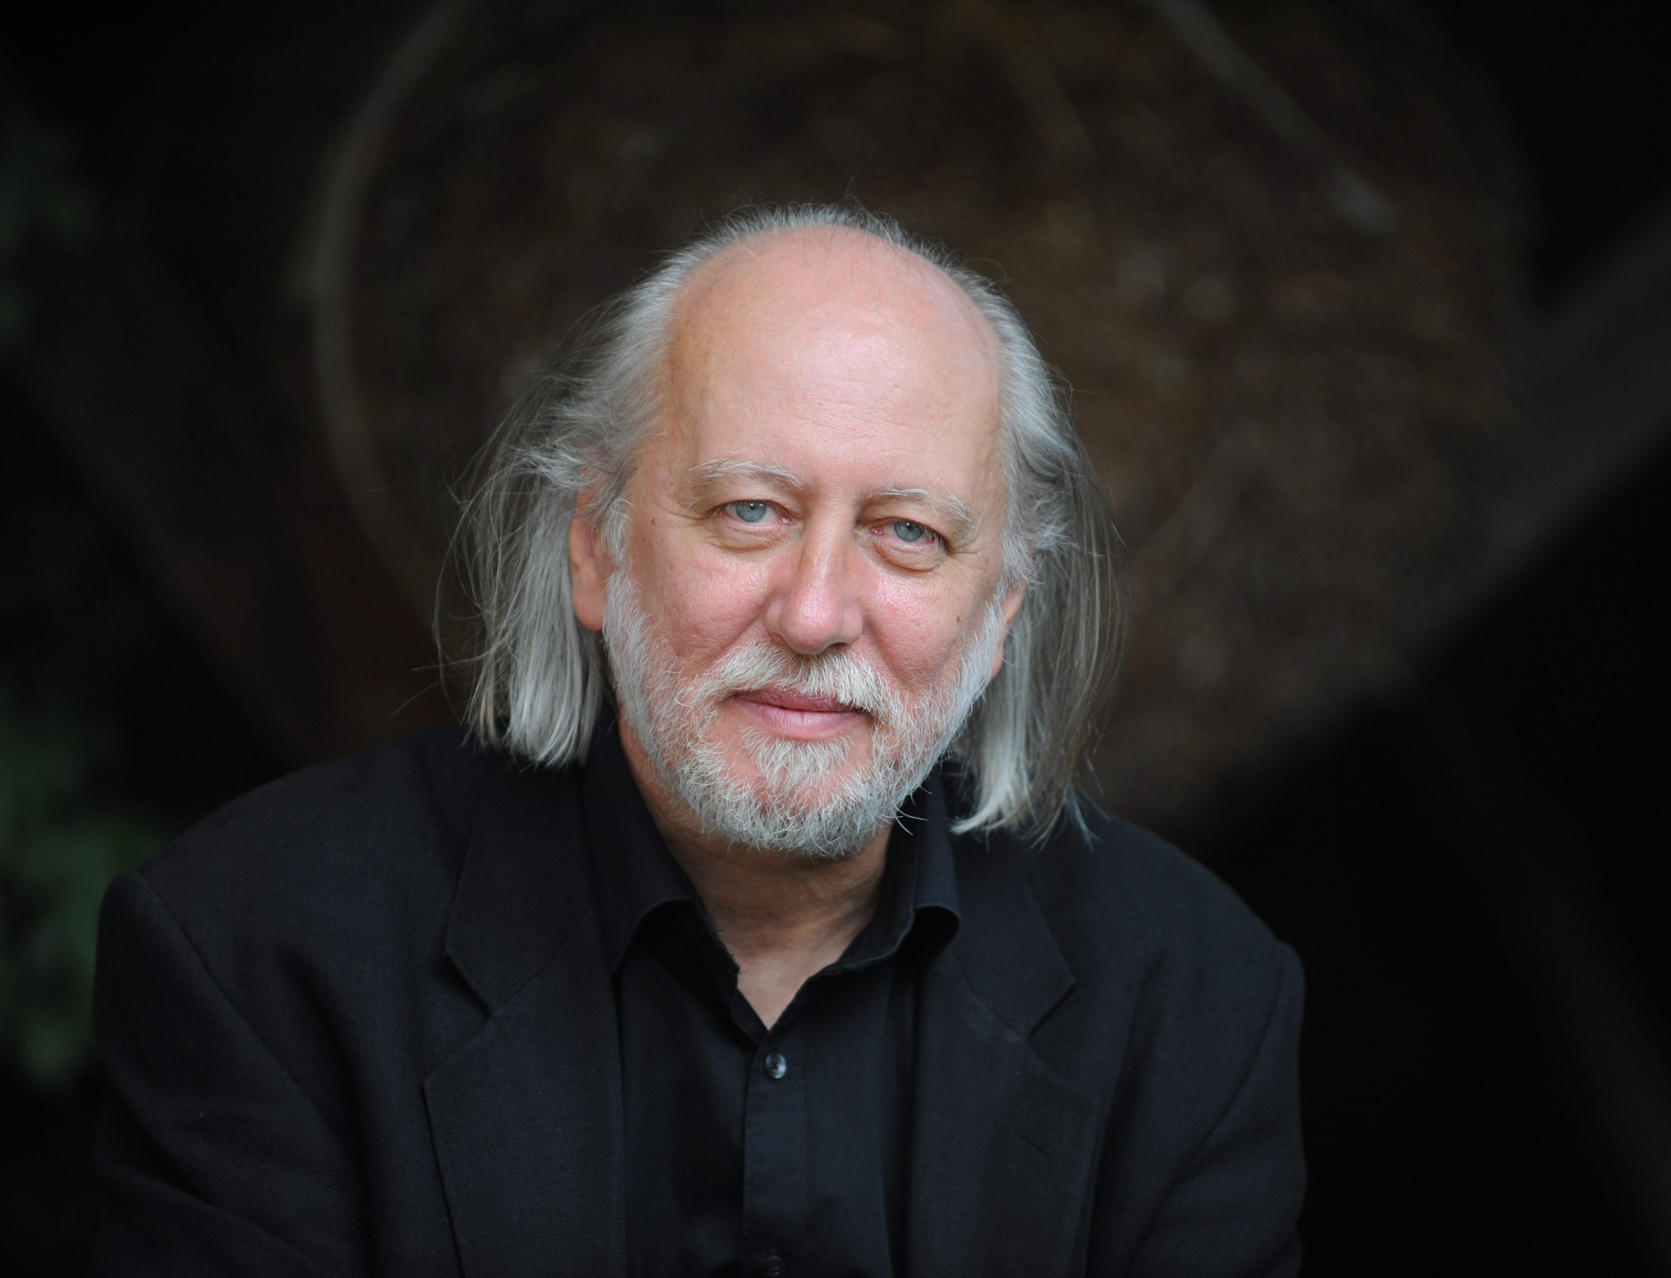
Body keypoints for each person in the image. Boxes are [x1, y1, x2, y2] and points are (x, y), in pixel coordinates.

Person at [91, 204, 1305, 1276]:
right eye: (750, 511)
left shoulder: (1197, 1007)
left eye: (909, 533)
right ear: (595, 545)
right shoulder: (258, 951)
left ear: (1000, 615)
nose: (815, 615)